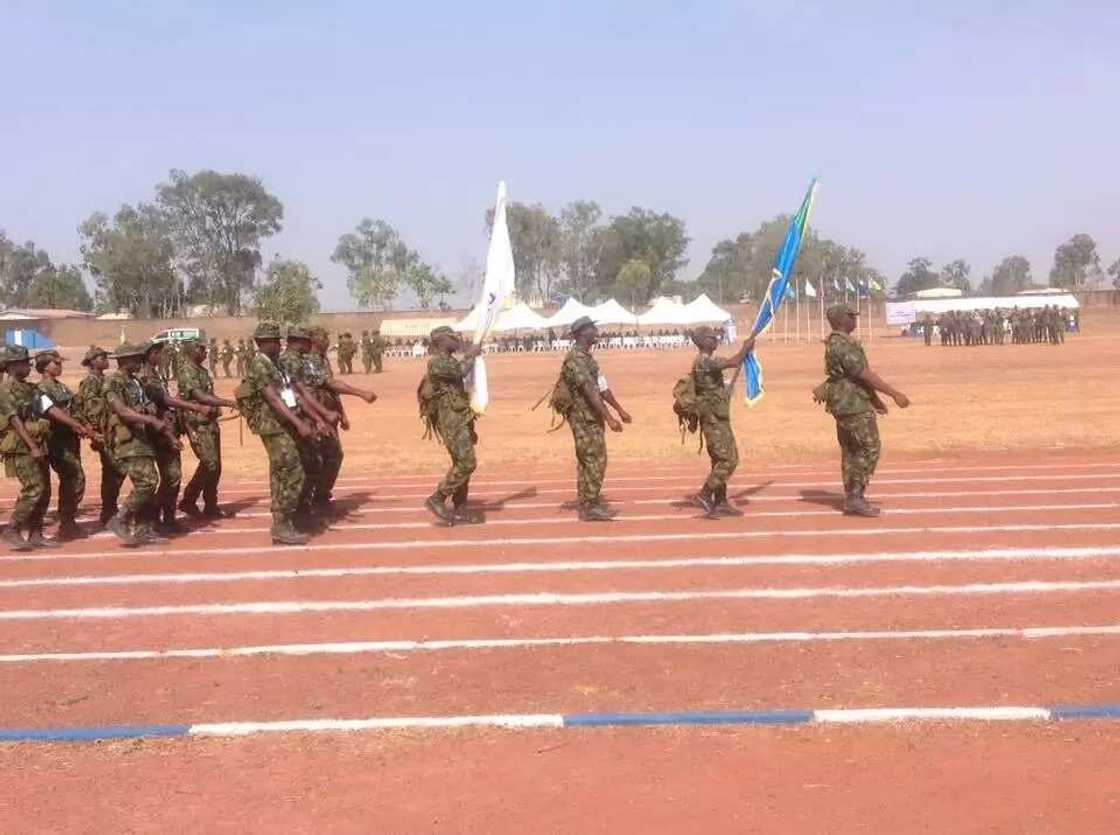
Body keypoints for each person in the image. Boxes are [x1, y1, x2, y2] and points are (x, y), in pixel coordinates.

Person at [813, 304, 910, 517]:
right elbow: (863, 374)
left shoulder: (838, 342)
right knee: (869, 447)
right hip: (851, 403)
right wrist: (893, 394)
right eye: (850, 316)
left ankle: (852, 497)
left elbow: (855, 376)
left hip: (848, 401)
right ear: (840, 320)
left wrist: (874, 399)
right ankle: (855, 496)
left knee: (851, 450)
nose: (854, 320)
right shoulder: (842, 344)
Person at [0, 346, 97, 550]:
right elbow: (14, 420)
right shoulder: (5, 390)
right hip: (21, 445)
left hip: (37, 443)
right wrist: (33, 446)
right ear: (11, 366)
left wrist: (76, 425)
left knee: (44, 490)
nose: (29, 366)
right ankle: (13, 528)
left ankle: (36, 533)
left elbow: (49, 409)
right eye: (24, 363)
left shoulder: (31, 388)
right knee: (34, 488)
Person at [236, 322, 317, 545]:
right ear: (263, 343)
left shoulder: (275, 364)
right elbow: (273, 399)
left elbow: (288, 393)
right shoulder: (259, 365)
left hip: (282, 422)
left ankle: (286, 520)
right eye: (275, 341)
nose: (279, 344)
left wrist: (303, 417)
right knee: (291, 468)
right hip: (271, 425)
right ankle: (282, 524)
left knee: (283, 470)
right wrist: (298, 424)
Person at [102, 342, 179, 545]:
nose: (139, 361)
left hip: (142, 438)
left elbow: (149, 407)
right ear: (125, 360)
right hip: (127, 439)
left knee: (146, 485)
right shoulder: (113, 383)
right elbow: (122, 411)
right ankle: (119, 518)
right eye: (135, 358)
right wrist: (151, 420)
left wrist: (167, 432)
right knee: (148, 482)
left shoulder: (135, 382)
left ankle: (144, 530)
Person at [560, 316, 630, 521]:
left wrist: (620, 410)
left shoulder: (588, 358)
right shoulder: (577, 359)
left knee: (588, 459)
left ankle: (588, 501)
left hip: (591, 416)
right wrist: (609, 418)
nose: (595, 330)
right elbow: (590, 391)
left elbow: (602, 388)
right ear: (582, 333)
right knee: (595, 459)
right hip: (583, 417)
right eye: (592, 328)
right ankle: (590, 505)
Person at [687, 326, 756, 518]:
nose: (716, 339)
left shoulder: (706, 362)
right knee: (728, 460)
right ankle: (704, 494)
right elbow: (733, 362)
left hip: (717, 416)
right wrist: (745, 348)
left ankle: (721, 501)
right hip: (713, 418)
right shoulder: (704, 361)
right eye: (711, 337)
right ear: (702, 341)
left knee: (719, 459)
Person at [307, 326, 377, 512]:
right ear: (313, 339)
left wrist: (342, 413)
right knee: (322, 456)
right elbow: (330, 383)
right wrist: (360, 393)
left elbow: (332, 391)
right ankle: (313, 497)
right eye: (323, 337)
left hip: (329, 414)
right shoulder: (311, 360)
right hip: (316, 414)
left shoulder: (322, 359)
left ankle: (321, 495)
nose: (327, 341)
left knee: (332, 455)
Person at [421, 326, 483, 524]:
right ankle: (437, 498)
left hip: (459, 416)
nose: (456, 340)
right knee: (467, 462)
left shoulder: (448, 360)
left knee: (461, 462)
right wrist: (471, 354)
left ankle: (461, 506)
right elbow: (460, 372)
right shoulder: (437, 363)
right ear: (442, 341)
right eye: (452, 338)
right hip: (450, 418)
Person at [34, 350, 98, 540]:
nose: (60, 366)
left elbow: (72, 408)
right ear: (46, 366)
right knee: (73, 478)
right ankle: (65, 523)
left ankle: (67, 522)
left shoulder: (60, 387)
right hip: (55, 441)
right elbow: (52, 411)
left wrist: (83, 424)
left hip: (68, 440)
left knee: (73, 479)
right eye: (57, 363)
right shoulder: (42, 388)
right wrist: (77, 425)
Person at [176, 335, 238, 519]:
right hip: (197, 425)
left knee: (216, 466)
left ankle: (211, 505)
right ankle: (189, 499)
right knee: (209, 463)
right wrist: (229, 403)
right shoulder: (187, 371)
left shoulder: (201, 371)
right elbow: (201, 397)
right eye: (200, 349)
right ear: (191, 350)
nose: (204, 352)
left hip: (209, 423)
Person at [74, 345, 124, 528]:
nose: (106, 360)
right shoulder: (90, 382)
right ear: (93, 361)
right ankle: (108, 512)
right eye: (102, 357)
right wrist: (95, 433)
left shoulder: (104, 380)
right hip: (104, 433)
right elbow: (90, 409)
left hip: (113, 431)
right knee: (112, 472)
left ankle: (110, 510)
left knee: (117, 471)